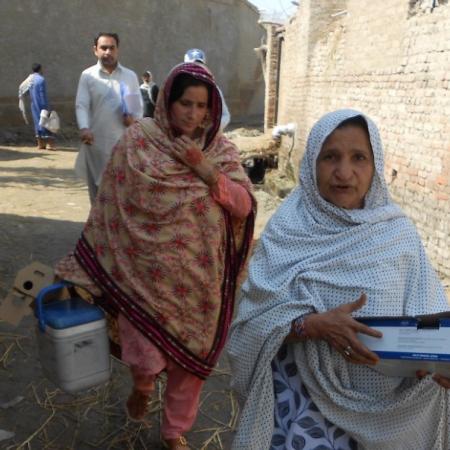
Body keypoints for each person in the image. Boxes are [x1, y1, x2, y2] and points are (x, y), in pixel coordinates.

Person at [55, 62, 255, 450]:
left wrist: (206, 170)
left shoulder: (221, 150)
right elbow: (113, 204)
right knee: (144, 356)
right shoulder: (139, 141)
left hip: (200, 284)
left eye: (201, 106)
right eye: (185, 103)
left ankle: (173, 431)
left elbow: (244, 207)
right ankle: (143, 388)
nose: (193, 114)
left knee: (191, 363)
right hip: (142, 276)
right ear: (167, 101)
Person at [227, 109, 450, 450]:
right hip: (302, 408)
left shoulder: (399, 234)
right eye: (330, 157)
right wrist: (310, 326)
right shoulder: (287, 230)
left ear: (375, 166)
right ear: (312, 162)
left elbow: (431, 318)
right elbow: (250, 326)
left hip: (386, 412)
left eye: (359, 157)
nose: (344, 173)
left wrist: (436, 360)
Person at [75, 32, 143, 204]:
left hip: (123, 146)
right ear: (95, 50)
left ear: (117, 50)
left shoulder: (130, 77)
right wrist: (84, 127)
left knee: (121, 194)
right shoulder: (87, 76)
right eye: (103, 48)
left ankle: (116, 230)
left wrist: (133, 120)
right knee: (97, 195)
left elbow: (137, 109)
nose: (108, 52)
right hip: (95, 145)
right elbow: (81, 104)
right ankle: (97, 230)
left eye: (111, 48)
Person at [184, 48, 231, 130]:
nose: (196, 69)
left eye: (199, 65)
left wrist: (212, 130)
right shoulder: (176, 87)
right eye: (192, 65)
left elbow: (225, 115)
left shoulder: (213, 89)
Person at [18, 63, 55, 150]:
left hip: (34, 105)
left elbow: (23, 90)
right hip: (42, 105)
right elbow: (42, 94)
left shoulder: (30, 80)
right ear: (40, 69)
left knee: (37, 123)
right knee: (47, 123)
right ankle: (50, 145)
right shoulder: (41, 79)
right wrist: (46, 107)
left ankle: (40, 144)